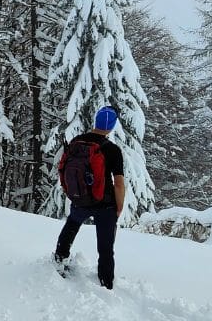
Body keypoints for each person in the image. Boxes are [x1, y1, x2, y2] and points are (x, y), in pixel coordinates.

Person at [53, 105, 125, 290]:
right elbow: (118, 183)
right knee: (105, 247)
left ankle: (59, 259)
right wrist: (119, 206)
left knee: (71, 226)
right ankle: (106, 282)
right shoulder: (113, 150)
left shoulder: (78, 141)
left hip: (81, 199)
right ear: (112, 125)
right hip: (105, 204)